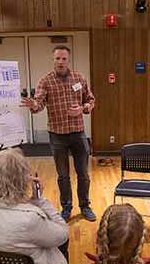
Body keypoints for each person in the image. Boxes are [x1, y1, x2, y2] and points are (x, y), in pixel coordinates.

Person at [21, 45, 96, 222]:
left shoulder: (79, 78)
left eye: (64, 59)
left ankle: (85, 206)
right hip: (57, 135)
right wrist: (33, 105)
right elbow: (38, 104)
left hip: (78, 133)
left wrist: (83, 108)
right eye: (57, 59)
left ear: (68, 60)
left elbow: (91, 100)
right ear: (53, 60)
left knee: (83, 173)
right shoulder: (45, 81)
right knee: (63, 175)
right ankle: (66, 207)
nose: (60, 62)